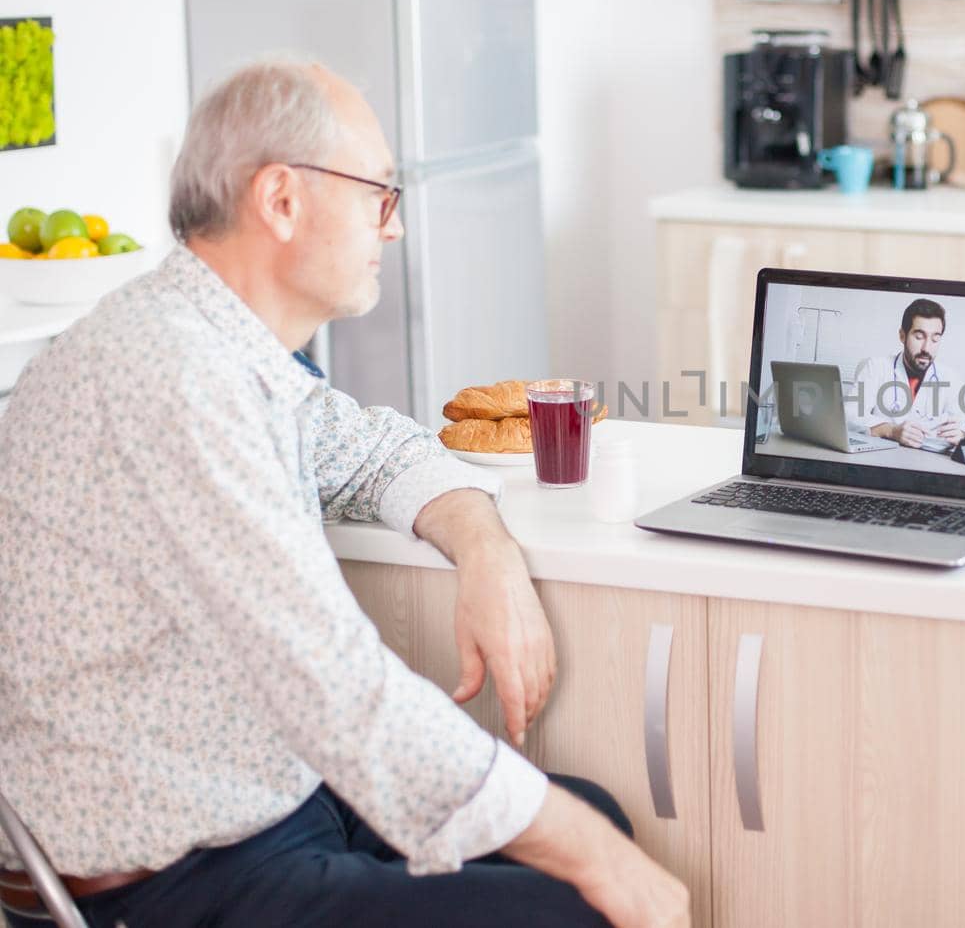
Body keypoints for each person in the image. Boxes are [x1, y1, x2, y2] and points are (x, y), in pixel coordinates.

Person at [0, 59, 689, 928]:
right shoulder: (170, 379)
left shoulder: (229, 354)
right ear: (282, 200)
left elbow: (372, 450)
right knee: (583, 889)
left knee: (594, 817)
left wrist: (484, 547)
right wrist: (607, 866)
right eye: (379, 193)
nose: (391, 228)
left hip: (269, 801)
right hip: (171, 877)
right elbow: (341, 689)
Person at [850, 297, 965, 449]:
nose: (926, 348)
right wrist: (891, 431)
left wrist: (962, 435)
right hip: (881, 459)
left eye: (935, 339)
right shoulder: (876, 367)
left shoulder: (950, 377)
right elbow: (850, 416)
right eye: (919, 337)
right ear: (902, 335)